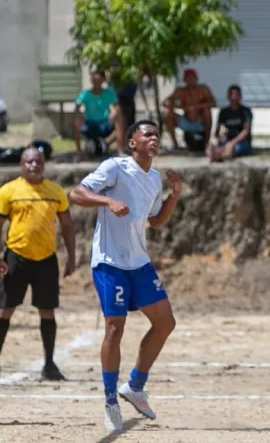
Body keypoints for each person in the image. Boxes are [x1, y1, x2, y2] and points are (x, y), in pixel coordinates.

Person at [68, 119, 181, 432]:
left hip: (138, 262)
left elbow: (155, 221)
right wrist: (107, 200)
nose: (154, 138)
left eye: (157, 134)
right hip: (109, 261)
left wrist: (174, 194)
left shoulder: (154, 178)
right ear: (132, 143)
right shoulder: (115, 167)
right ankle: (110, 401)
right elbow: (76, 193)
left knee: (165, 322)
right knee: (115, 327)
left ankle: (134, 386)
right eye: (148, 134)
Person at [0, 146, 76, 381]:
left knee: (47, 310)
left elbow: (66, 225)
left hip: (46, 259)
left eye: (38, 162)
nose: (34, 165)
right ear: (21, 164)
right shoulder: (8, 191)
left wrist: (71, 256)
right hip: (16, 258)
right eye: (29, 162)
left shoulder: (56, 192)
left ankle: (49, 365)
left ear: (44, 164)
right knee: (5, 309)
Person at [73, 70, 126, 159]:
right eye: (94, 80)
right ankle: (79, 151)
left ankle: (119, 150)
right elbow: (77, 107)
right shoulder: (85, 94)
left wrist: (114, 113)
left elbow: (117, 107)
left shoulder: (109, 93)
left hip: (104, 123)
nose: (96, 83)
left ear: (102, 81)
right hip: (90, 124)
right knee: (76, 120)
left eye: (98, 80)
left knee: (119, 118)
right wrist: (79, 115)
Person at [163, 68, 217, 150]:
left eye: (192, 78)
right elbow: (165, 102)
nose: (190, 80)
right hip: (186, 120)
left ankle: (206, 143)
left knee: (207, 111)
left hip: (200, 122)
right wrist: (178, 106)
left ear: (196, 78)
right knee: (167, 114)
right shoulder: (180, 91)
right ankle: (175, 144)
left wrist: (197, 107)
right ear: (185, 80)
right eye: (188, 78)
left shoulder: (203, 89)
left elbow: (213, 103)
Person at [207, 85, 253, 162]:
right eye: (231, 94)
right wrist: (215, 140)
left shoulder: (246, 112)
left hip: (242, 142)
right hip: (227, 139)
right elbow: (217, 129)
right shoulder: (224, 112)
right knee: (212, 147)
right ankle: (217, 155)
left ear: (240, 96)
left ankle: (221, 156)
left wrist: (232, 143)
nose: (234, 97)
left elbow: (246, 131)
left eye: (236, 95)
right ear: (228, 97)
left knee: (231, 149)